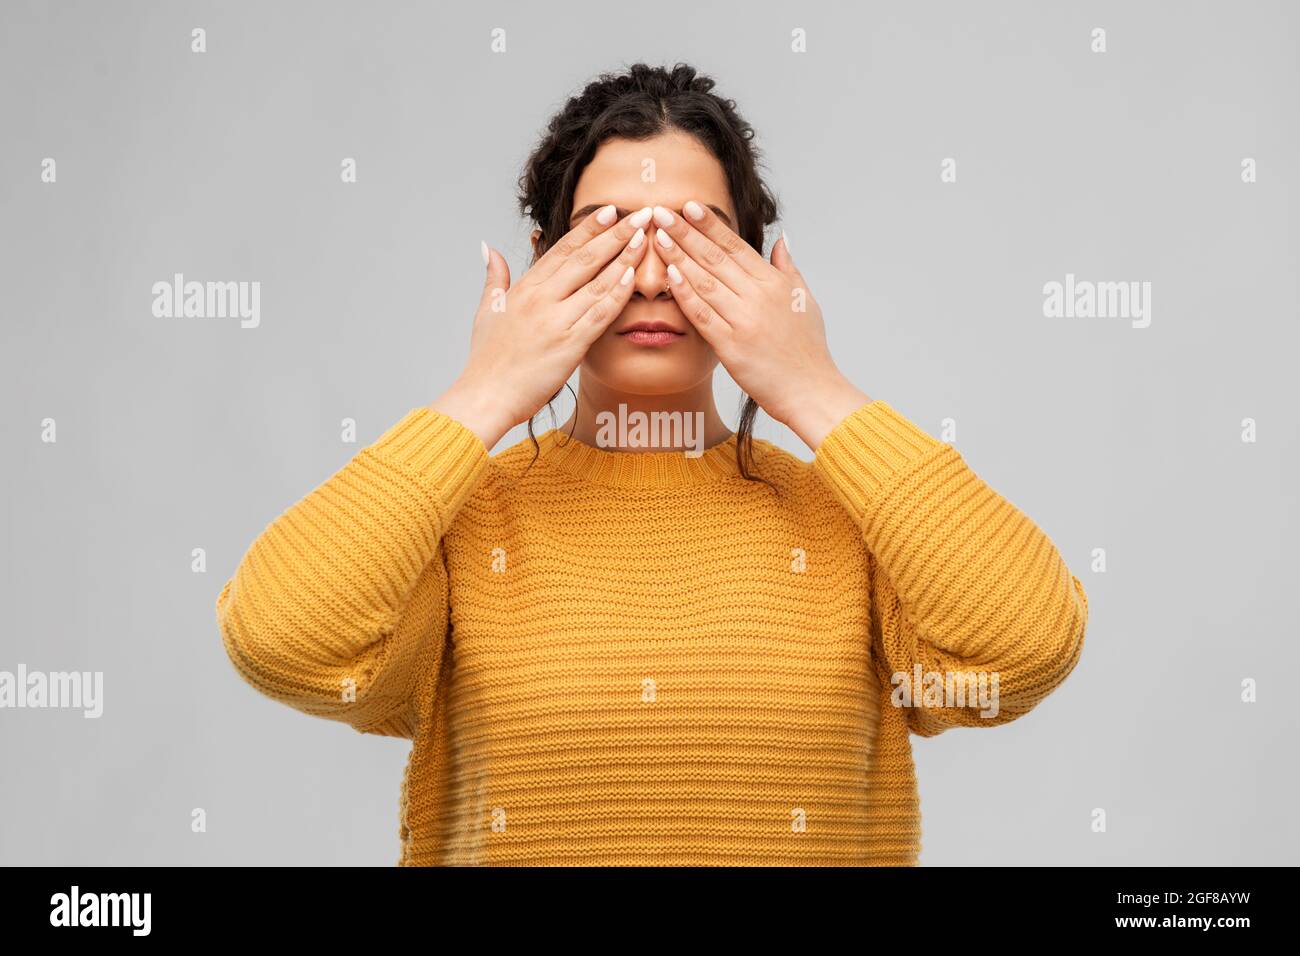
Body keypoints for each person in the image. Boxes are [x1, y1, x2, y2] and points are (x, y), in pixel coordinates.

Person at [216, 62, 1088, 866]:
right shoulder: (461, 525)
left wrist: (814, 386)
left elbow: (1023, 653)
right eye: (607, 237)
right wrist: (485, 392)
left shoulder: (851, 521)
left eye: (695, 240)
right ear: (541, 261)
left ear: (761, 266)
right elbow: (281, 640)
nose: (651, 280)